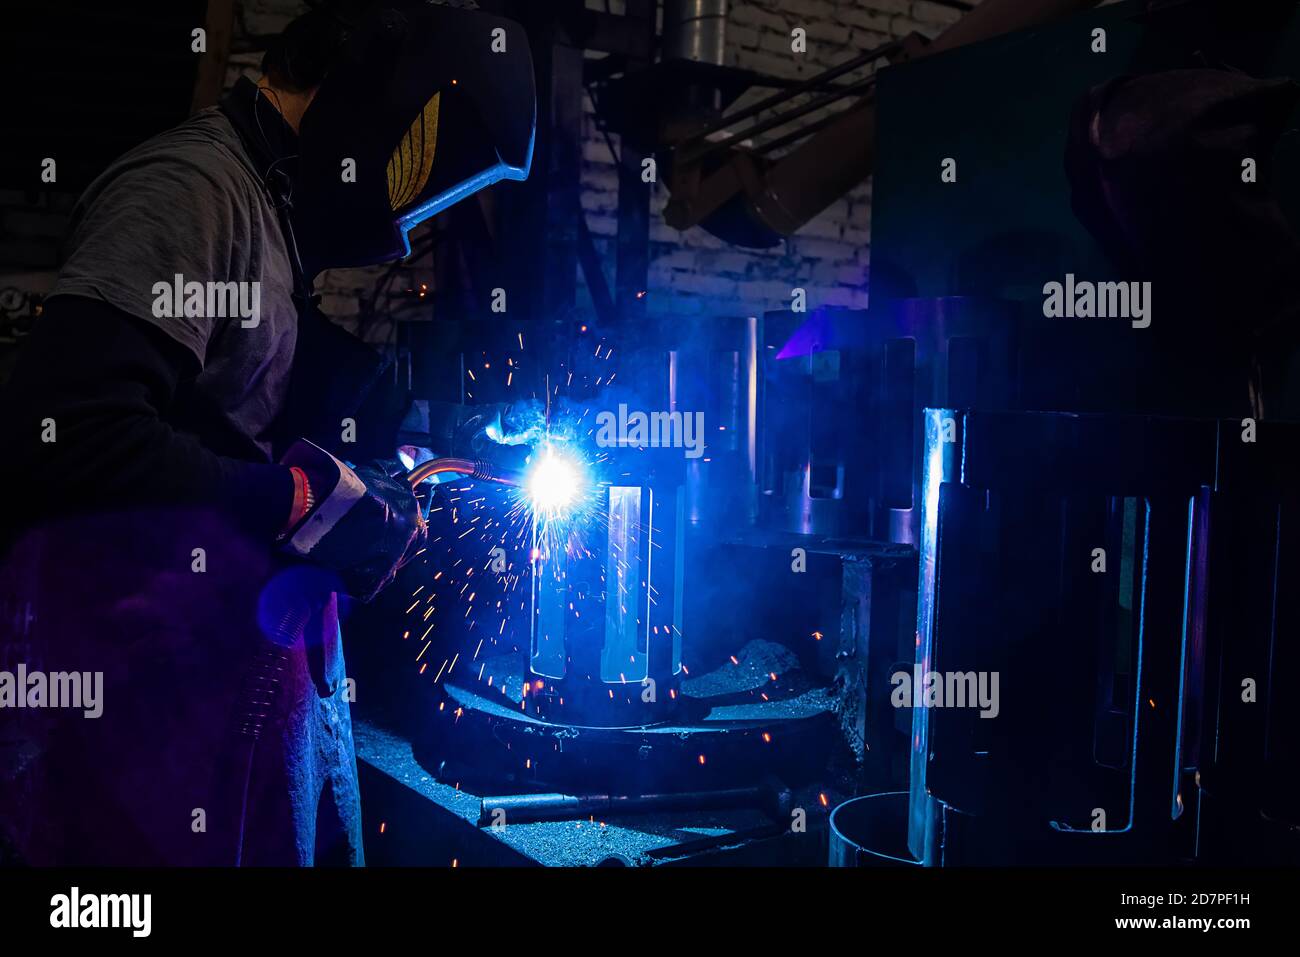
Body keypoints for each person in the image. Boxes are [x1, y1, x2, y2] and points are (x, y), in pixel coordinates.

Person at [0, 1, 534, 865]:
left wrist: (374, 479)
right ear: (369, 89)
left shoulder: (267, 215)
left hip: (206, 708)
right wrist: (293, 497)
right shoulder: (195, 190)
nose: (404, 225)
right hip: (129, 724)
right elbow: (69, 430)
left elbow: (223, 426)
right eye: (415, 167)